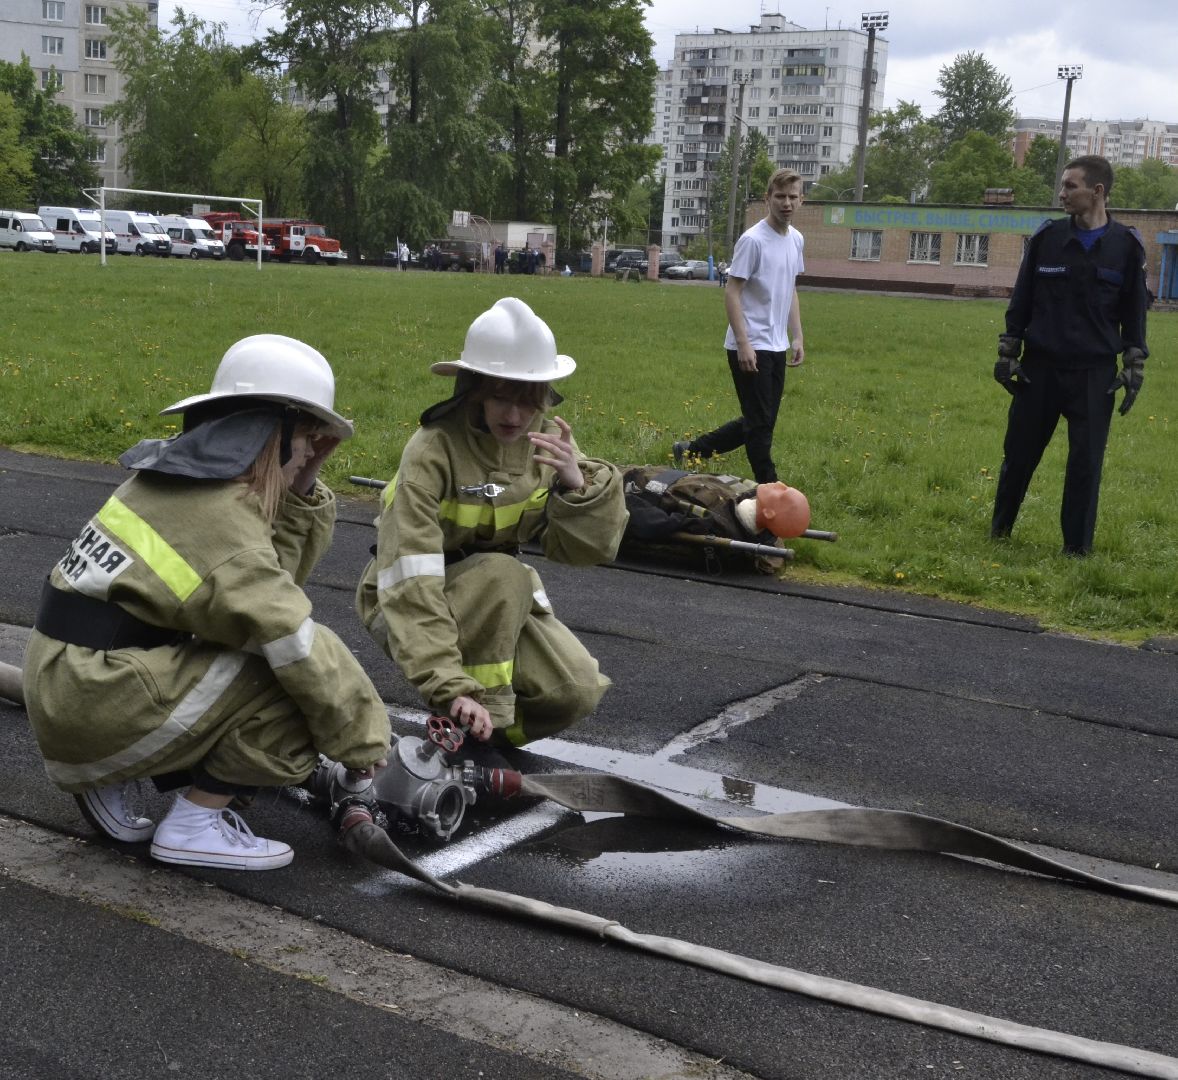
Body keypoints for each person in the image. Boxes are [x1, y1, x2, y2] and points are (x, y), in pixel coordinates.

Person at [23, 335, 391, 870]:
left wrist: (302, 483)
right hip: (93, 700)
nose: (316, 449)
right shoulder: (224, 528)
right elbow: (294, 634)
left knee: (260, 653)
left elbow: (271, 580)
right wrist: (364, 741)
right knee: (293, 683)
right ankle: (194, 824)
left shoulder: (174, 484)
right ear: (271, 432)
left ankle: (107, 770)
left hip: (70, 684)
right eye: (309, 437)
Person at [356, 297, 627, 748]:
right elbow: (410, 579)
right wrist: (450, 685)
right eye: (501, 396)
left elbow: (585, 551)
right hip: (403, 598)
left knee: (574, 691)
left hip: (497, 600)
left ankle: (488, 739)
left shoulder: (545, 447)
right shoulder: (432, 450)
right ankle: (474, 732)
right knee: (504, 574)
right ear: (475, 388)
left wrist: (578, 489)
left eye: (527, 400)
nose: (514, 415)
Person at [991, 155, 1149, 556]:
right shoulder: (1047, 239)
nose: (1061, 194)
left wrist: (1134, 364)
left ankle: (1076, 550)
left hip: (1094, 375)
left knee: (1085, 465)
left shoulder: (1125, 247)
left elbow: (1133, 311)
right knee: (1019, 456)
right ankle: (999, 534)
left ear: (1097, 192)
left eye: (1070, 187)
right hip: (1039, 369)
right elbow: (1021, 300)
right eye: (1062, 186)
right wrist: (1009, 352)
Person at [673, 168, 806, 484]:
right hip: (750, 343)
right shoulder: (753, 240)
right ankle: (770, 488)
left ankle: (692, 450)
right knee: (760, 426)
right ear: (767, 198)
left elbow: (790, 289)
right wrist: (744, 342)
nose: (786, 203)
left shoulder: (797, 239)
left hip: (776, 344)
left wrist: (797, 335)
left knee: (761, 421)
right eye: (779, 196)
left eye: (792, 197)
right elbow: (732, 290)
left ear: (802, 200)